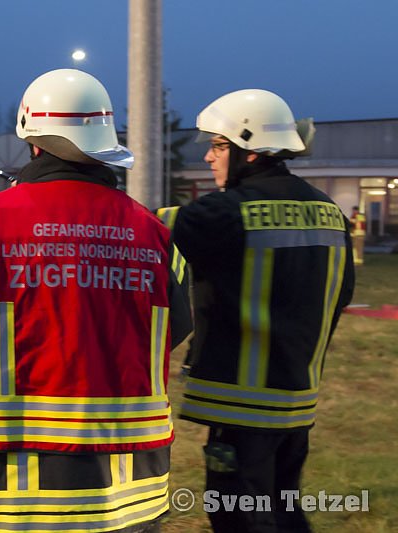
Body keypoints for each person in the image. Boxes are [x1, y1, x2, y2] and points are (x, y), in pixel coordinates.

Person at [0, 69, 192, 532]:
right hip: (134, 494)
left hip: (19, 495)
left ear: (33, 143)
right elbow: (177, 323)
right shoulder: (154, 233)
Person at [163, 89, 355, 532]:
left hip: (241, 407)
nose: (210, 158)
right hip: (296, 403)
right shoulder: (331, 213)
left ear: (249, 151)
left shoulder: (227, 212)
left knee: (239, 518)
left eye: (218, 146)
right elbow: (341, 296)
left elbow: (137, 232)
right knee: (285, 512)